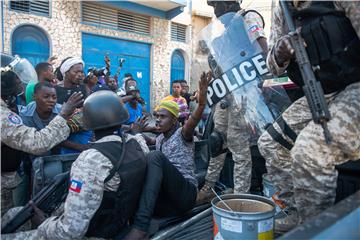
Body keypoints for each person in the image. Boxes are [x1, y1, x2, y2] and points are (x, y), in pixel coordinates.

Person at [257, 0, 360, 232]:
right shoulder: (282, 8)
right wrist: (281, 52)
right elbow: (273, 66)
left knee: (310, 151)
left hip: (355, 85)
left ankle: (317, 230)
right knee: (270, 144)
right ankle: (297, 212)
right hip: (325, 89)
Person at [1, 90, 149, 240]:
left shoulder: (90, 159)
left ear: (86, 123)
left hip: (93, 232)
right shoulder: (137, 144)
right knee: (14, 214)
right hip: (117, 223)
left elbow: (69, 232)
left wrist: (45, 223)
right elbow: (137, 137)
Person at [124, 72, 211, 239]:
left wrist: (202, 100)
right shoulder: (160, 139)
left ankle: (140, 227)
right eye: (156, 116)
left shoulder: (183, 134)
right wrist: (136, 133)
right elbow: (140, 140)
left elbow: (196, 114)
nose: (157, 120)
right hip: (168, 201)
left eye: (162, 117)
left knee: (154, 157)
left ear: (174, 120)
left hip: (185, 194)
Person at [197, 0, 268, 202]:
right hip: (224, 95)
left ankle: (240, 196)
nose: (215, 12)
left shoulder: (249, 18)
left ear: (228, 3)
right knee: (216, 141)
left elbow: (263, 51)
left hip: (242, 93)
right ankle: (209, 187)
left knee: (238, 146)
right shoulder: (224, 34)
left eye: (216, 5)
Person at [1, 53, 83, 215]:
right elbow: (37, 143)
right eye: (15, 78)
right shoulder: (5, 115)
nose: (19, 81)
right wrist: (64, 115)